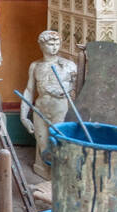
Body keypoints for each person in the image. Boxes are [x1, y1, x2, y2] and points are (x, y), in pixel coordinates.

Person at [20, 30, 78, 178]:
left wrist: (67, 89)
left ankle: (58, 174)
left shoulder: (68, 65)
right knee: (42, 141)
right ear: (41, 45)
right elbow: (29, 90)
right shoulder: (35, 66)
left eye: (57, 44)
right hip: (40, 108)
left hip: (60, 107)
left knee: (58, 141)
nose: (54, 47)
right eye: (51, 44)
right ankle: (44, 170)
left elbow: (77, 89)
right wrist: (23, 116)